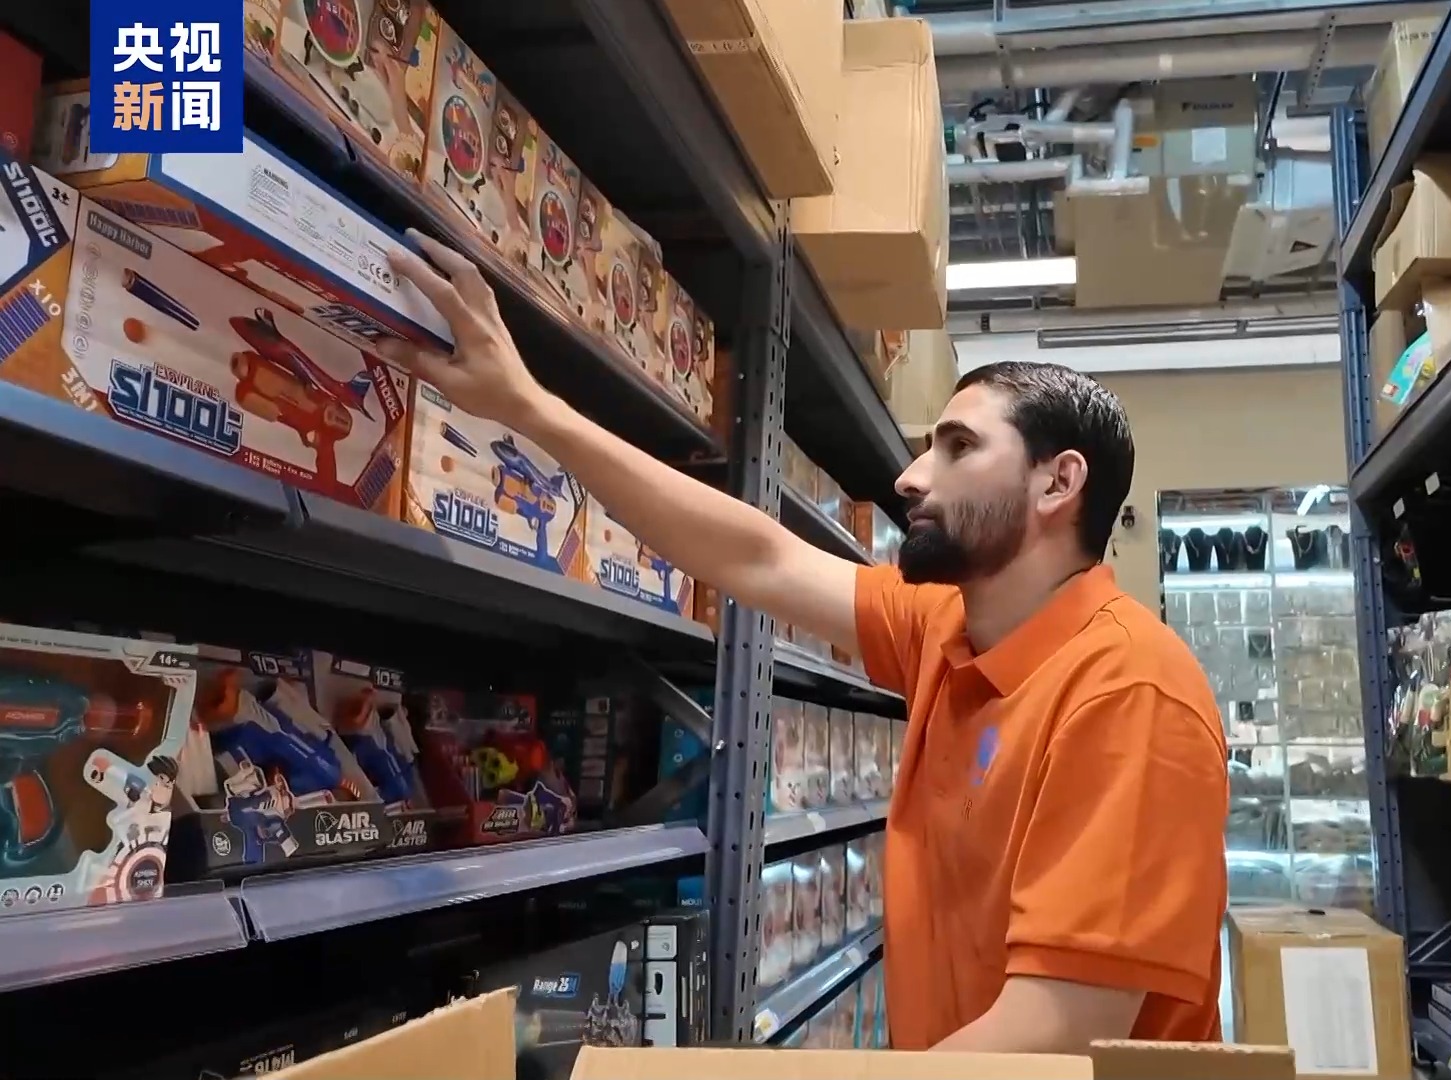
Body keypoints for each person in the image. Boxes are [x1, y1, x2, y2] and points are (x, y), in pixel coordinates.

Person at [379, 231, 1230, 1053]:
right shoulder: (950, 626)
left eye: (959, 447)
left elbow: (1053, 1035)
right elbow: (759, 556)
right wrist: (528, 408)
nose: (910, 477)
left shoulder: (1129, 695)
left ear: (1058, 482)